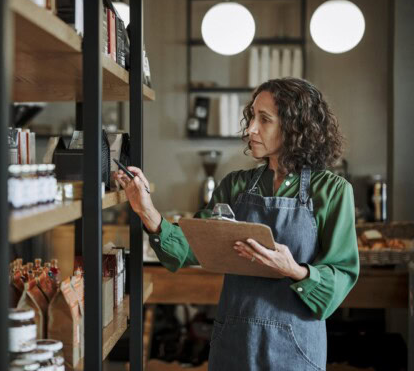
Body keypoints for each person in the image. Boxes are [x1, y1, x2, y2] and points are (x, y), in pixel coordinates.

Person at [114, 78, 359, 371]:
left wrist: (292, 269)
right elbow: (189, 247)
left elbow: (341, 276)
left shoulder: (332, 191)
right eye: (252, 116)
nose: (250, 129)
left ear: (295, 128)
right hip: (234, 343)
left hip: (296, 349)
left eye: (264, 119)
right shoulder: (236, 185)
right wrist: (146, 209)